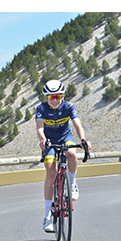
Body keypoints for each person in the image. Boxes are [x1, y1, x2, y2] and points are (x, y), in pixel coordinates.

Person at [34, 79, 90, 233]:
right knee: (51, 173)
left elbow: (77, 125)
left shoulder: (69, 106)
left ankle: (72, 184)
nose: (55, 100)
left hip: (65, 136)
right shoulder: (41, 108)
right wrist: (43, 140)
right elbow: (40, 128)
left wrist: (83, 140)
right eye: (51, 97)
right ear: (46, 98)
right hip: (49, 141)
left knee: (72, 152)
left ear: (63, 96)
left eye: (58, 96)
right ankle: (47, 217)